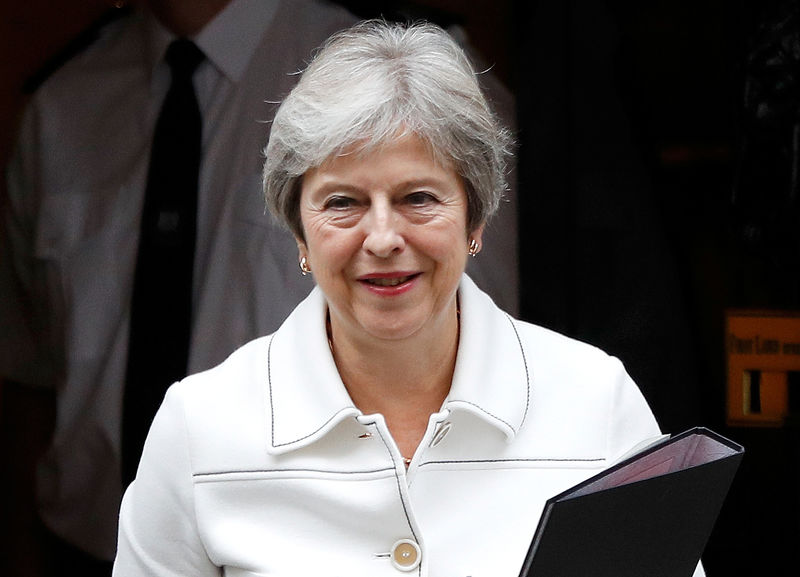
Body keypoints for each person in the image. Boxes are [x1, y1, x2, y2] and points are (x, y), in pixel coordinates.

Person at [113, 20, 703, 576]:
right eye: (342, 202)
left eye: (419, 197)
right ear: (298, 231)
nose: (384, 238)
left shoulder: (595, 402)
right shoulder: (201, 426)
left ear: (475, 217)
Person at [0, 2, 519, 575]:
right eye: (343, 203)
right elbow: (28, 378)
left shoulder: (399, 72)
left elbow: (476, 352)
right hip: (77, 547)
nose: (380, 235)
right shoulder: (62, 104)